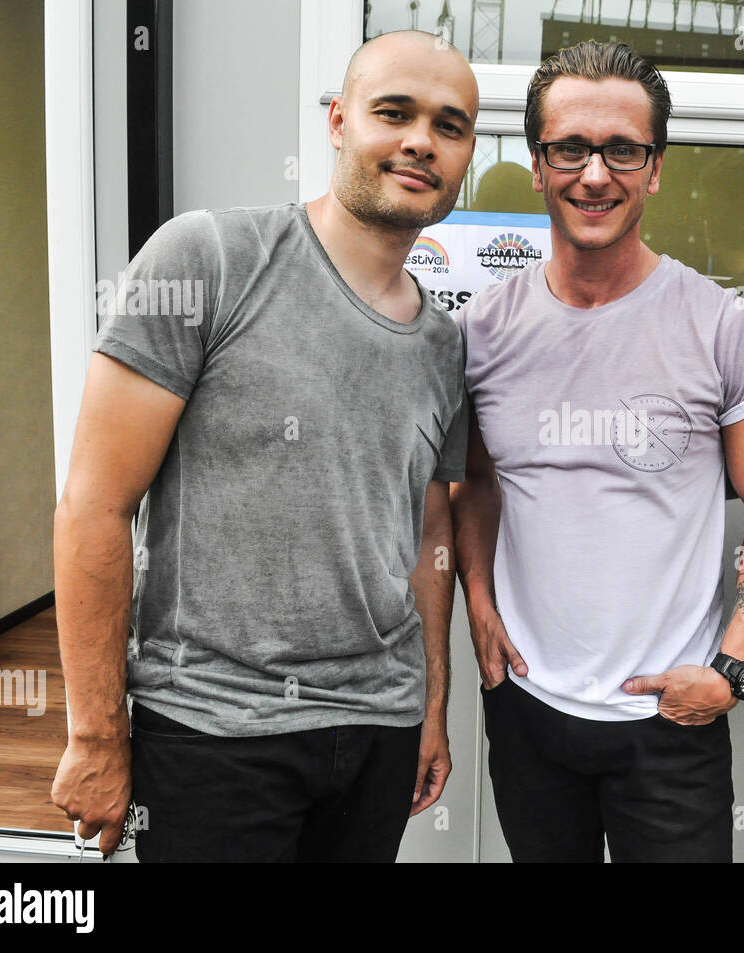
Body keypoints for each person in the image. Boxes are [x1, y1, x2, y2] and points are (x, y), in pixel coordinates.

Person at [50, 30, 478, 862]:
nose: (421, 140)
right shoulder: (210, 258)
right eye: (394, 112)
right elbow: (94, 507)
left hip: (378, 729)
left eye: (450, 125)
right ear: (338, 122)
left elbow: (430, 534)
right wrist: (97, 734)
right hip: (215, 732)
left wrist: (430, 704)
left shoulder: (444, 345)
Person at [450, 40, 744, 863]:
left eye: (623, 149)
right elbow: (474, 481)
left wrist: (735, 670)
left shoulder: (724, 328)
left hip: (669, 725)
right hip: (529, 707)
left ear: (655, 168)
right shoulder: (482, 333)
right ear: (537, 165)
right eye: (570, 147)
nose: (595, 174)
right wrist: (478, 600)